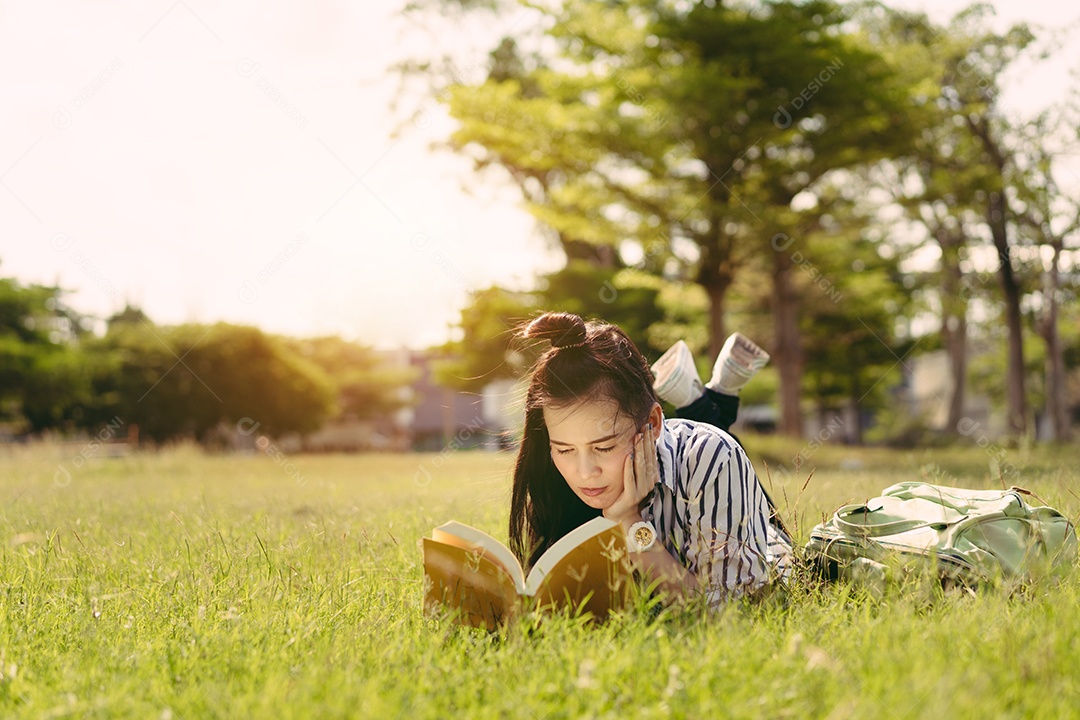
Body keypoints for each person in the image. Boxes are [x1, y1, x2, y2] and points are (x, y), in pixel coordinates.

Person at [507, 311, 791, 609]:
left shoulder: (712, 457)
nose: (584, 472)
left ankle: (706, 408)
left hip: (768, 552)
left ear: (653, 423)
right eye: (565, 450)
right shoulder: (551, 475)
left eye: (604, 448)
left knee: (719, 436)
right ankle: (704, 402)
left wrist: (629, 523)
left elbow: (732, 611)